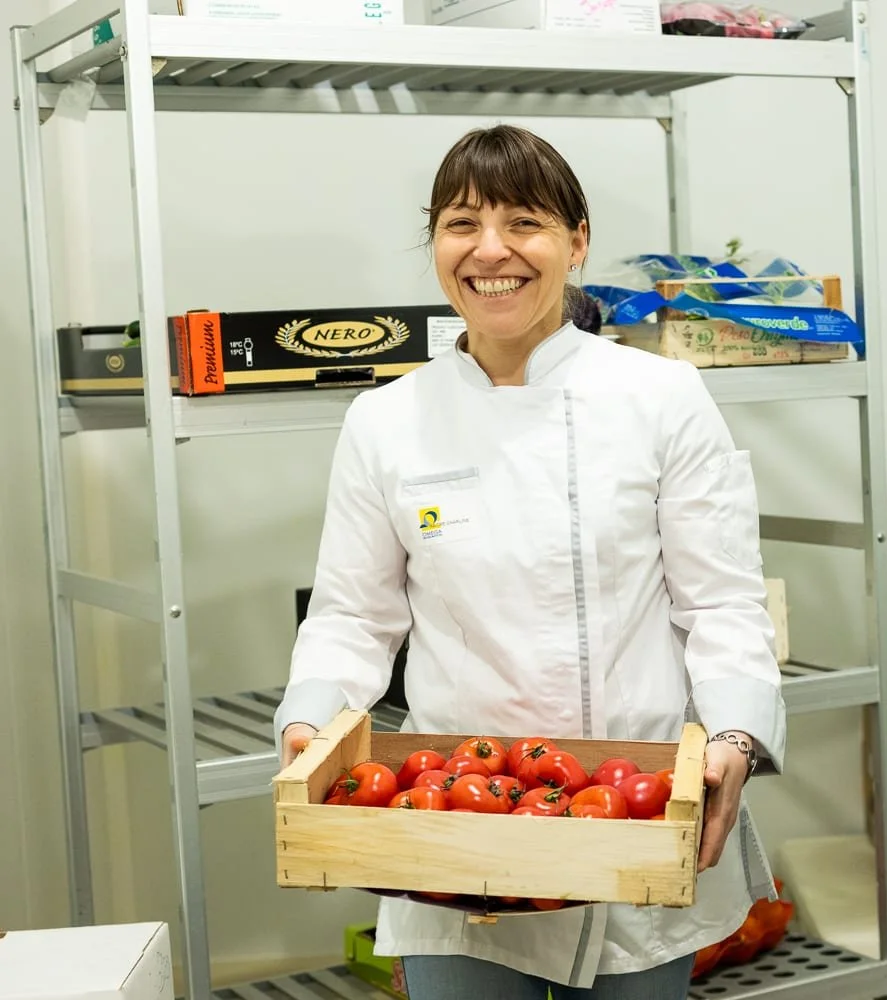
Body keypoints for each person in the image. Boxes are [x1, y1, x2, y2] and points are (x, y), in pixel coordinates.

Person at [273, 123, 786, 1000]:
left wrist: (736, 735)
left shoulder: (662, 398)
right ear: (434, 244)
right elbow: (353, 616)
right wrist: (310, 730)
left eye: (525, 222)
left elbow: (723, 604)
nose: (491, 251)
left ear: (577, 243)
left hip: (629, 813)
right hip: (451, 828)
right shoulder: (387, 419)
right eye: (461, 223)